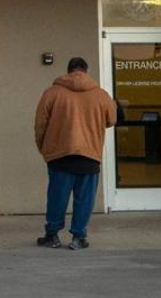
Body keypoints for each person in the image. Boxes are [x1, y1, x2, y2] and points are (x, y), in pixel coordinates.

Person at [33, 57, 117, 251]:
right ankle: (78, 237)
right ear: (86, 71)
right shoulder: (101, 94)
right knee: (85, 199)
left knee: (57, 197)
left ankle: (52, 235)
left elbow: (40, 125)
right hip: (90, 155)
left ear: (68, 71)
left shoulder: (52, 93)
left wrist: (44, 149)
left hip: (59, 155)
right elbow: (111, 120)